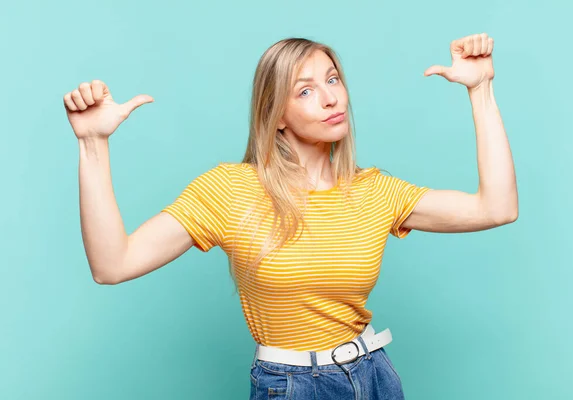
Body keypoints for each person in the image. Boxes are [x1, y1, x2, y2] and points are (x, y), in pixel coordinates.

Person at [64, 33, 517, 399]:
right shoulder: (230, 190)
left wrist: (481, 89)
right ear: (276, 114)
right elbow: (112, 265)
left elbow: (496, 208)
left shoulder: (374, 190)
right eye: (305, 90)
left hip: (375, 376)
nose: (329, 98)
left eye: (333, 80)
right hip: (294, 386)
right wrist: (92, 144)